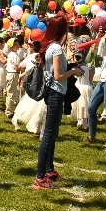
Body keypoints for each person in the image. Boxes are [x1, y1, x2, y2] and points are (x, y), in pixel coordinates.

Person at [33, 15, 83, 190]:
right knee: (48, 135)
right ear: (63, 30)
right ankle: (40, 177)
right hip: (55, 93)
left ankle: (49, 169)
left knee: (53, 133)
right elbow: (58, 75)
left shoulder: (52, 47)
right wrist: (74, 71)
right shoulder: (56, 50)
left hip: (54, 92)